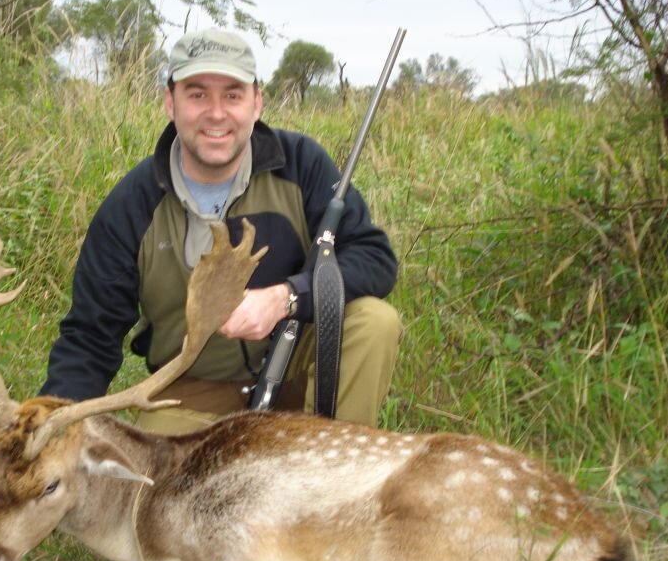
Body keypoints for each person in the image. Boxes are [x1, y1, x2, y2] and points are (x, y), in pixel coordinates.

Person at [40, 28, 402, 434]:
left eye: (232, 95)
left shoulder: (302, 164)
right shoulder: (132, 204)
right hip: (190, 392)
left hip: (298, 373)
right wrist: (50, 423)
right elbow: (89, 337)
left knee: (374, 321)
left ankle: (342, 477)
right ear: (169, 102)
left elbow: (373, 258)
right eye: (197, 94)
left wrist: (286, 299)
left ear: (256, 103)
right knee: (149, 484)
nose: (216, 113)